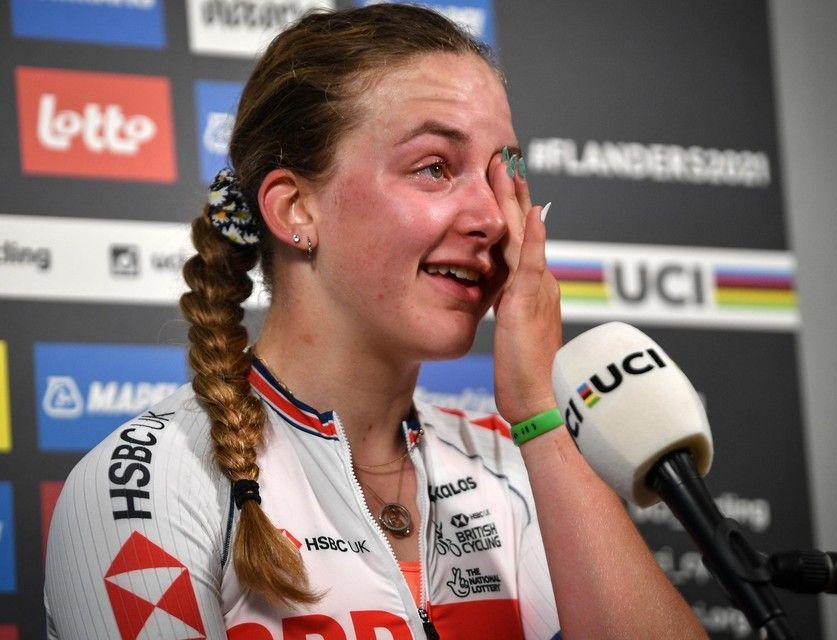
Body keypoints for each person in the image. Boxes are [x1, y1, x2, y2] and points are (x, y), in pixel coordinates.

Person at [44, 5, 706, 639]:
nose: (492, 217)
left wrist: (539, 412)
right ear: (296, 210)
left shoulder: (516, 463)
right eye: (434, 168)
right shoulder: (152, 480)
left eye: (503, 175)